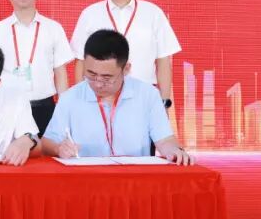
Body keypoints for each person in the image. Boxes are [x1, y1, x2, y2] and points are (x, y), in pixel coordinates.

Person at [41, 30, 193, 165]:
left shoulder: (148, 95)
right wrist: (58, 148)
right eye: (91, 74)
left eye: (107, 78)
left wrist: (174, 151)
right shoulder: (70, 98)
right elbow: (47, 143)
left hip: (134, 180)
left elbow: (165, 139)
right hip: (86, 179)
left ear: (126, 69)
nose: (98, 84)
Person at [69, 0, 181, 114]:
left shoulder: (153, 13)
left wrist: (164, 103)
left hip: (144, 97)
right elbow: (80, 61)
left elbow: (163, 61)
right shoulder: (90, 14)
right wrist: (82, 100)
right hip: (100, 97)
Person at [0, 0, 73, 136]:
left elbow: (60, 72)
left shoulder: (53, 28)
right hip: (9, 108)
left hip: (45, 107)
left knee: (47, 152)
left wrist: (64, 109)